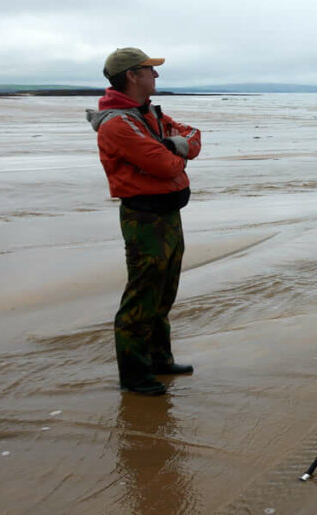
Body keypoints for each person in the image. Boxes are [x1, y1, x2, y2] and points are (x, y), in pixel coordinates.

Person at [86, 47, 202, 395]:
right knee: (142, 294)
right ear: (133, 75)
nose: (156, 75)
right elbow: (167, 165)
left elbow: (194, 136)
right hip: (144, 218)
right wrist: (175, 151)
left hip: (168, 214)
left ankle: (158, 360)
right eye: (150, 70)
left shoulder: (147, 113)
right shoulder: (118, 124)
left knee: (165, 290)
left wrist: (172, 146)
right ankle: (135, 375)